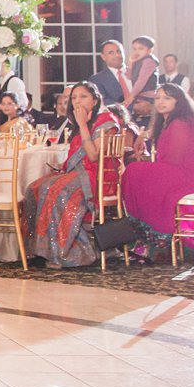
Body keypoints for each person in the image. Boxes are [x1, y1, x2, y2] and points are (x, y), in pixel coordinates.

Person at [121, 85, 194, 262]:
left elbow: (174, 159)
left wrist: (151, 166)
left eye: (167, 98)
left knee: (135, 171)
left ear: (178, 101)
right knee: (139, 173)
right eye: (158, 98)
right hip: (189, 173)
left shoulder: (180, 123)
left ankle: (153, 239)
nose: (161, 102)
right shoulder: (172, 121)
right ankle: (152, 240)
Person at [22, 80, 119, 268]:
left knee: (55, 190)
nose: (77, 101)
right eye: (74, 97)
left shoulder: (106, 121)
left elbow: (93, 155)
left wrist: (82, 125)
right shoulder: (84, 119)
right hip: (79, 173)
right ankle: (38, 249)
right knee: (33, 188)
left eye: (83, 96)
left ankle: (64, 253)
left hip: (97, 178)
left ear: (95, 99)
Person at [89, 39, 130, 108]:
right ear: (103, 57)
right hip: (117, 116)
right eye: (111, 53)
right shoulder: (97, 79)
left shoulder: (138, 72)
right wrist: (132, 107)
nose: (117, 55)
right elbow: (103, 101)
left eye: (119, 51)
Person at [126, 35, 159, 118]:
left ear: (150, 50)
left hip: (148, 97)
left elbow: (141, 81)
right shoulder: (139, 61)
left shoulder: (149, 61)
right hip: (141, 95)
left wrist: (131, 97)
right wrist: (131, 63)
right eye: (135, 49)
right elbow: (130, 77)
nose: (137, 52)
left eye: (141, 49)